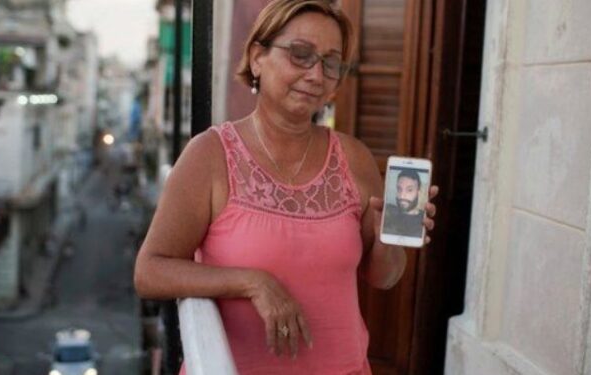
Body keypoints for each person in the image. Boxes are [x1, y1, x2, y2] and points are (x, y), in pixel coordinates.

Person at [133, 1, 439, 374]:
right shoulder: (210, 155)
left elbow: (383, 277)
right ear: (258, 57)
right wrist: (252, 283)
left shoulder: (354, 157)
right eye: (300, 54)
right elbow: (150, 271)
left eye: (331, 63)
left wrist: (389, 239)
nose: (316, 75)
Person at [382, 169, 425, 237]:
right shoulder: (387, 211)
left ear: (418, 192)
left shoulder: (424, 218)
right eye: (399, 189)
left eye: (409, 190)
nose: (402, 196)